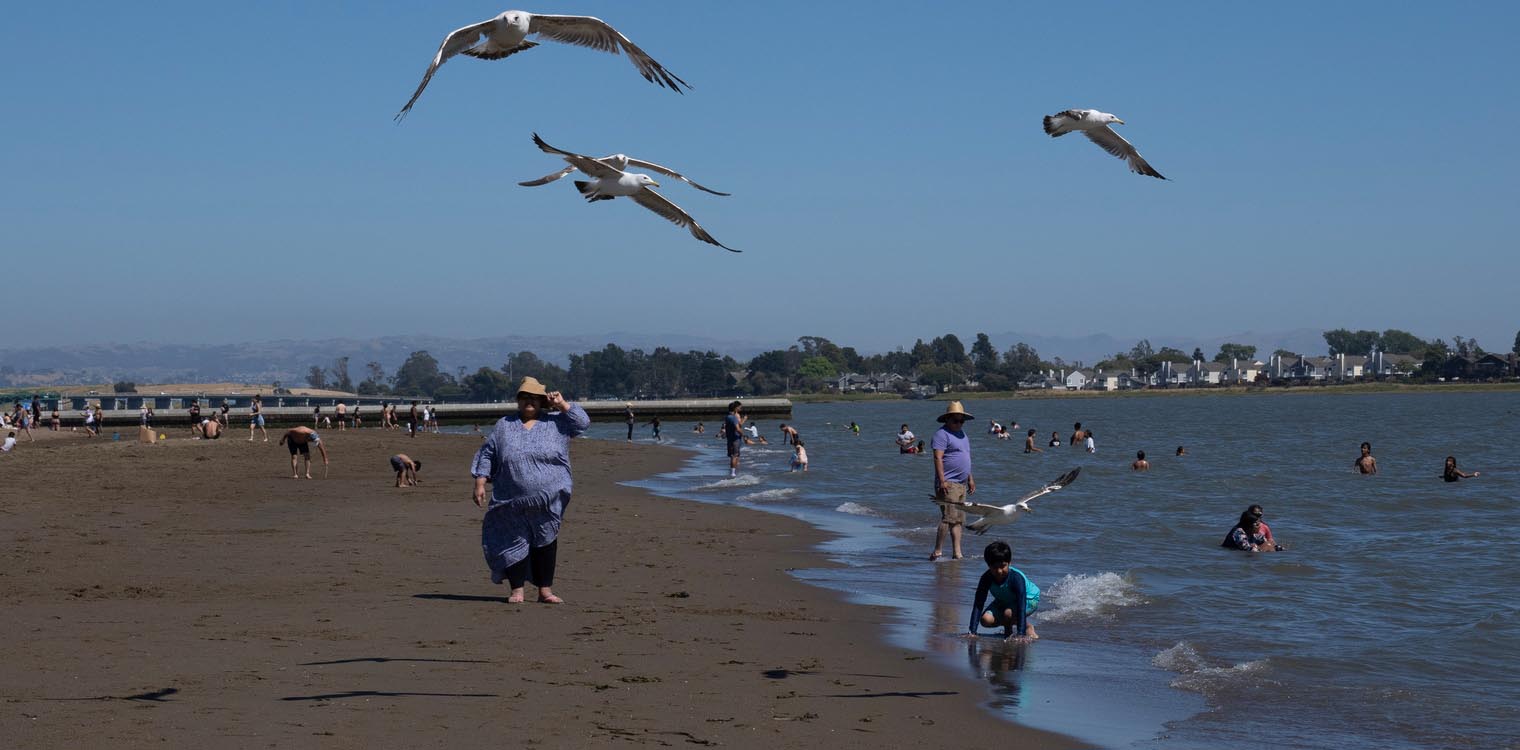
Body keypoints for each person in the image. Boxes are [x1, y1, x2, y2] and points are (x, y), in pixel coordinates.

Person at [471, 377, 589, 604]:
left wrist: (562, 404)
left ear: (542, 402)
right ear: (518, 400)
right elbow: (488, 453)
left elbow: (583, 423)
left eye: (534, 398)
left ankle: (545, 591)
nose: (529, 401)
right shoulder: (504, 424)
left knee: (545, 541)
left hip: (550, 499)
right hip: (511, 499)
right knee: (513, 541)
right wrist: (480, 482)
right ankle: (517, 590)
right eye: (525, 397)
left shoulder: (557, 422)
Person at [930, 401, 976, 562]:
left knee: (958, 520)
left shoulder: (963, 435)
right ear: (947, 420)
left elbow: (966, 457)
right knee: (948, 518)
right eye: (955, 420)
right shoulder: (941, 434)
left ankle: (957, 553)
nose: (958, 423)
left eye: (961, 421)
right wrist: (942, 480)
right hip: (948, 482)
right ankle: (937, 551)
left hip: (962, 484)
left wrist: (970, 478)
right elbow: (938, 457)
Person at [967, 540, 1039, 642]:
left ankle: (1023, 628)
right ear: (988, 565)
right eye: (994, 567)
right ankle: (1013, 629)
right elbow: (979, 603)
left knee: (1008, 613)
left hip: (1029, 599)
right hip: (1005, 600)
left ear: (1009, 563)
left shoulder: (1016, 578)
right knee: (985, 620)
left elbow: (1021, 604)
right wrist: (972, 632)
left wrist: (1021, 634)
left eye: (1002, 566)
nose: (999, 571)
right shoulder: (986, 578)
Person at [723, 401, 745, 478]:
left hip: (730, 439)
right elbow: (738, 429)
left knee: (733, 456)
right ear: (735, 408)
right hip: (735, 439)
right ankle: (733, 473)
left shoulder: (727, 417)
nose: (740, 409)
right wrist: (743, 435)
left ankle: (733, 471)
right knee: (734, 456)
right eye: (739, 407)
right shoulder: (733, 418)